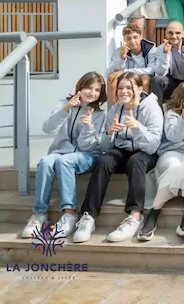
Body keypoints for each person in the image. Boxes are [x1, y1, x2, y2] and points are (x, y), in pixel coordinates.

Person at [72, 72, 163, 244]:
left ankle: (135, 216)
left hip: (146, 153)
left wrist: (137, 128)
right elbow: (105, 147)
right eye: (121, 88)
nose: (124, 91)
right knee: (105, 159)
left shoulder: (152, 108)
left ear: (140, 89)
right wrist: (109, 133)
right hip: (122, 151)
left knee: (136, 161)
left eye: (129, 87)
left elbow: (153, 146)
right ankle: (88, 216)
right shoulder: (115, 109)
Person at [21, 72, 107, 239]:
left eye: (96, 90)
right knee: (45, 162)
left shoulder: (99, 114)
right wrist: (66, 109)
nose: (92, 93)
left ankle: (70, 213)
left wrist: (88, 127)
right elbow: (47, 128)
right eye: (88, 87)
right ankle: (39, 214)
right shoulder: (63, 104)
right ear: (80, 88)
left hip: (87, 155)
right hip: (60, 153)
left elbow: (87, 146)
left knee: (64, 161)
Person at [139, 82, 184, 241]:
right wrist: (183, 120)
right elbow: (173, 137)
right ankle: (154, 213)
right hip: (171, 151)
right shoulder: (171, 114)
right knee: (175, 167)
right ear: (180, 101)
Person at [107, 22, 155, 104]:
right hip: (127, 78)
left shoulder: (150, 49)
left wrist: (124, 71)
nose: (132, 41)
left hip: (143, 77)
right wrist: (122, 58)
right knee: (113, 81)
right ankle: (115, 111)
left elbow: (151, 70)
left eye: (135, 37)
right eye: (129, 38)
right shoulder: (119, 51)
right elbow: (112, 72)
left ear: (141, 37)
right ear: (124, 39)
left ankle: (142, 106)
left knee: (145, 78)